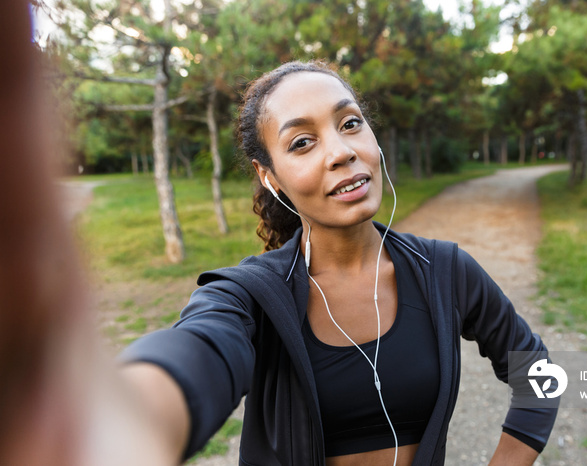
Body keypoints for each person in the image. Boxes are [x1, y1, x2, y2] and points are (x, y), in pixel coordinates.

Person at [120, 61, 558, 466]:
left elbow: (539, 375)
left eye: (350, 123)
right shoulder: (249, 297)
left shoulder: (444, 271)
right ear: (270, 176)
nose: (341, 152)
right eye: (302, 142)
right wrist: (129, 414)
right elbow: (200, 351)